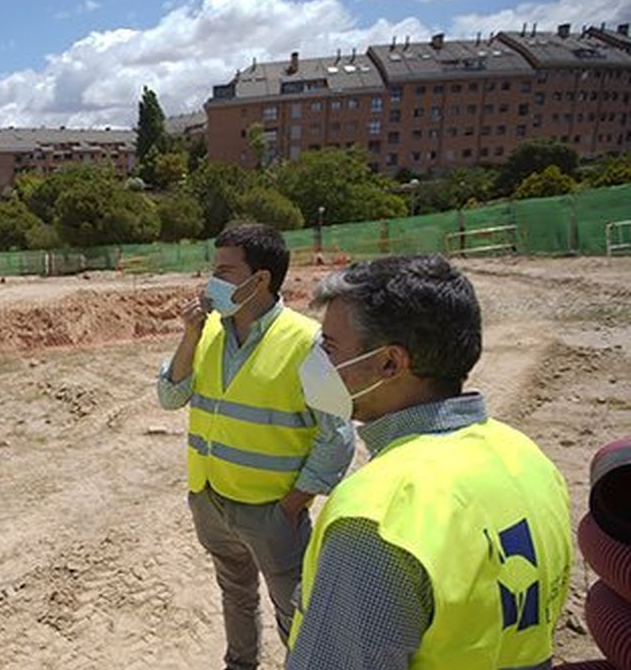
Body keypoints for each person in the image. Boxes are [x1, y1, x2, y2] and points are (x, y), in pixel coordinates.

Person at [287, 255, 572, 669]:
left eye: (328, 348)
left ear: (390, 363)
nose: (316, 362)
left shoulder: (376, 519)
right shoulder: (526, 458)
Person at [157, 223, 354, 670]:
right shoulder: (207, 332)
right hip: (210, 500)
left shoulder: (307, 342)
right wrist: (189, 335)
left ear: (260, 279)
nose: (211, 282)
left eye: (224, 271)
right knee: (236, 595)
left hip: (272, 511)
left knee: (295, 610)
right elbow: (169, 397)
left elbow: (338, 433)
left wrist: (291, 504)